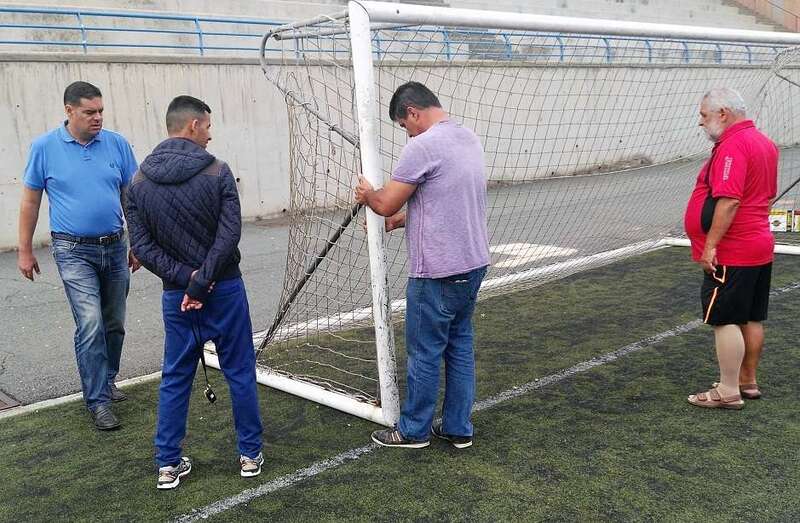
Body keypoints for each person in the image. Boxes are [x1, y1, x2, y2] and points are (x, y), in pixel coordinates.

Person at [125, 95, 263, 490]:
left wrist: (188, 281)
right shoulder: (218, 172)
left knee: (175, 377)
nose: (210, 134)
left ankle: (167, 464)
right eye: (207, 125)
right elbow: (229, 233)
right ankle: (249, 455)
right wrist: (203, 280)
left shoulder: (137, 183)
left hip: (178, 295)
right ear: (191, 126)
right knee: (239, 371)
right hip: (224, 288)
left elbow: (143, 247)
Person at [355, 81, 490, 448]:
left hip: (439, 272)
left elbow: (384, 203)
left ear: (412, 113)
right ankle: (458, 428)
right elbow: (445, 198)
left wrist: (369, 195)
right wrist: (404, 219)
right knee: (459, 345)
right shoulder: (467, 137)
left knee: (425, 351)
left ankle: (413, 430)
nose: (406, 132)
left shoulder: (423, 145)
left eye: (404, 125)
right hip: (474, 263)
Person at [17, 81, 139, 431]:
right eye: (89, 112)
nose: (97, 117)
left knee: (114, 322)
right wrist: (25, 250)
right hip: (72, 250)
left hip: (115, 246)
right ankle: (97, 401)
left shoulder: (116, 144)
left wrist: (139, 242)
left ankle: (108, 379)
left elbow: (131, 196)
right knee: (90, 322)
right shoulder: (44, 148)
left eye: (100, 111)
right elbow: (30, 201)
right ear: (69, 111)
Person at [684, 87, 777, 410]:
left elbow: (730, 199)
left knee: (724, 318)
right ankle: (746, 381)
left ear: (723, 113)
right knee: (750, 317)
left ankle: (727, 390)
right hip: (758, 243)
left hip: (735, 248)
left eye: (704, 115)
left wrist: (710, 246)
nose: (701, 122)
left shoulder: (733, 146)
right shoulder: (763, 142)